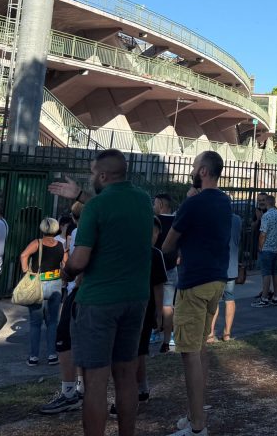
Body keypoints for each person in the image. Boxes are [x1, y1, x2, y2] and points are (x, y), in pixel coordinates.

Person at [53, 149, 153, 436]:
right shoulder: (143, 200)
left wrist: (67, 271)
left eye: (93, 172)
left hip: (98, 301)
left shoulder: (95, 209)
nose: (91, 176)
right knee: (126, 377)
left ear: (103, 175)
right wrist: (80, 194)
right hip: (136, 297)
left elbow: (81, 259)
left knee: (95, 382)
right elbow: (113, 208)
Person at [160, 150, 232, 436]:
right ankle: (195, 414)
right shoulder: (224, 201)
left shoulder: (194, 204)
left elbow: (168, 243)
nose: (191, 169)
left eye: (193, 165)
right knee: (200, 345)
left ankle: (198, 425)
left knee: (188, 351)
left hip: (194, 281)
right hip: (216, 278)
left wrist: (188, 204)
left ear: (203, 171)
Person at [109, 215, 167, 416]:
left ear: (158, 234)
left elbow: (159, 286)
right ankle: (140, 389)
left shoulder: (155, 254)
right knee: (133, 352)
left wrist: (159, 313)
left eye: (154, 232)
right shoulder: (127, 252)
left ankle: (130, 395)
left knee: (135, 353)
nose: (149, 235)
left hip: (145, 309)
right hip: (126, 307)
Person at [39, 201, 86, 415]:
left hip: (81, 290)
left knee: (64, 339)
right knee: (83, 341)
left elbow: (77, 263)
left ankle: (69, 393)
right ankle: (82, 388)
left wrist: (68, 276)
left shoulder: (81, 232)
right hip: (103, 292)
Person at [20, 217, 67, 366]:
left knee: (35, 323)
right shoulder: (61, 245)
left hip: (37, 283)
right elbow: (65, 263)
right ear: (56, 229)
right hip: (55, 284)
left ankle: (33, 357)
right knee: (52, 322)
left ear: (42, 229)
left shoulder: (37, 243)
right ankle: (52, 355)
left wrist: (27, 272)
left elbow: (23, 255)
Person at [208, 209, 242, 342]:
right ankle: (227, 333)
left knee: (214, 300)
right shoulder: (237, 219)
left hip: (217, 265)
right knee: (230, 298)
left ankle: (210, 334)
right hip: (231, 264)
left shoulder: (214, 219)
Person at [153, 193, 179, 353]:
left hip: (156, 267)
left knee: (154, 303)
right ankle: (168, 339)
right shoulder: (177, 222)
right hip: (171, 267)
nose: (153, 207)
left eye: (155, 204)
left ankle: (154, 331)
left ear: (161, 205)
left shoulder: (155, 222)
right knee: (168, 305)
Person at [252, 193, 277, 307]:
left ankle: (264, 298)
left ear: (267, 203)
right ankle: (276, 296)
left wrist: (260, 247)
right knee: (275, 273)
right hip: (276, 249)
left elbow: (263, 234)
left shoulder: (266, 216)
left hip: (267, 249)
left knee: (266, 274)